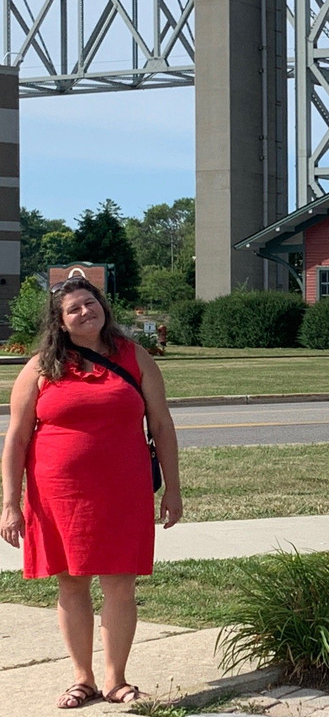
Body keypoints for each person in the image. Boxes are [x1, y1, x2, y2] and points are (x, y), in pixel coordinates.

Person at [0, 276, 183, 708]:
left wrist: (173, 490)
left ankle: (116, 680)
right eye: (74, 309)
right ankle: (82, 679)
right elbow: (16, 439)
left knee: (120, 583)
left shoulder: (134, 357)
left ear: (103, 307)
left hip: (124, 490)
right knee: (71, 583)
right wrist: (10, 504)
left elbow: (161, 426)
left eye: (90, 303)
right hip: (58, 492)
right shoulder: (43, 366)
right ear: (61, 323)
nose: (86, 312)